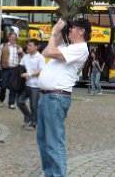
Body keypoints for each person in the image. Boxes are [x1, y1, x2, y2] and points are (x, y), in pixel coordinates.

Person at [37, 18, 91, 177]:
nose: (69, 30)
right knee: (43, 141)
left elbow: (49, 52)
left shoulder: (81, 48)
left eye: (72, 27)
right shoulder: (69, 47)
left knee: (54, 142)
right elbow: (48, 49)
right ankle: (50, 174)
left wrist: (54, 31)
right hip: (47, 97)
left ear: (81, 31)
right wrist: (61, 30)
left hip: (56, 98)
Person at [17, 39, 45, 130]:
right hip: (25, 85)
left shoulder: (40, 58)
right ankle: (28, 116)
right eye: (28, 45)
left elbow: (41, 70)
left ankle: (34, 123)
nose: (28, 47)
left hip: (35, 86)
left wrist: (29, 74)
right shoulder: (26, 57)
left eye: (30, 45)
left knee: (34, 105)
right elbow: (21, 67)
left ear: (36, 47)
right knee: (19, 101)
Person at [0, 32, 24, 109]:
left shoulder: (19, 47)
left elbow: (23, 57)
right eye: (12, 37)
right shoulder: (3, 46)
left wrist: (21, 52)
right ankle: (2, 99)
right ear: (9, 38)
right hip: (6, 68)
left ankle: (11, 103)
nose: (13, 39)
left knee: (13, 86)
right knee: (3, 85)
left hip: (15, 69)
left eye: (14, 37)